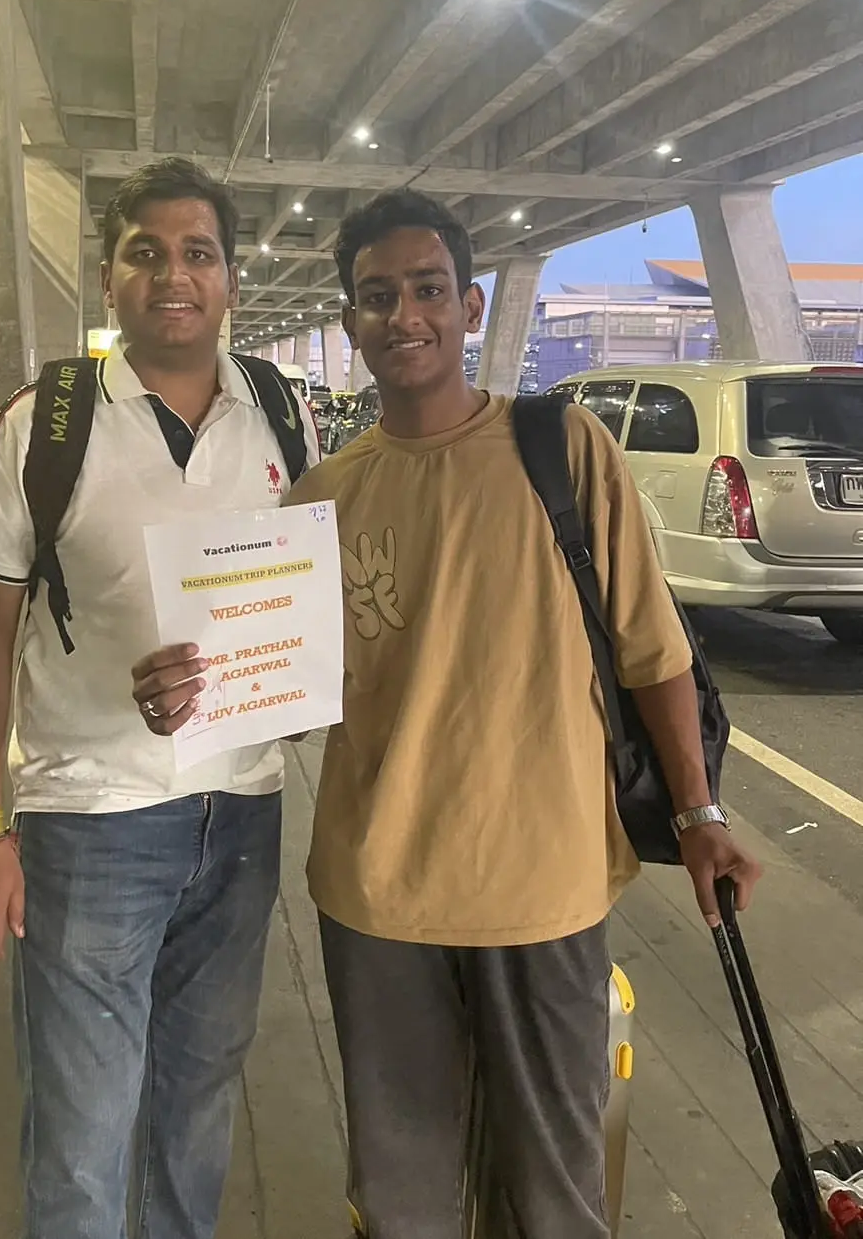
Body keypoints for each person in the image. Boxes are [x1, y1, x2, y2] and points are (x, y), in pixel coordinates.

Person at [142, 188, 762, 1238]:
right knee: (401, 1195)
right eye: (377, 297)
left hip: (545, 886)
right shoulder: (321, 499)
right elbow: (292, 697)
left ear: (470, 306)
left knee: (555, 1187)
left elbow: (655, 655)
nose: (404, 315)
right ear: (351, 322)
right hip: (380, 893)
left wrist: (700, 817)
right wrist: (195, 687)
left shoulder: (562, 452)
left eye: (427, 289)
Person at [0, 156, 319, 1239]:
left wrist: (277, 687)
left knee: (196, 1111)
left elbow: (305, 620)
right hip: (90, 820)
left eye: (198, 253)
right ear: (108, 279)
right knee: (81, 1130)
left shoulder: (281, 415)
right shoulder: (46, 420)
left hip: (244, 812)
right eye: (144, 252)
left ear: (232, 281)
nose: (173, 275)